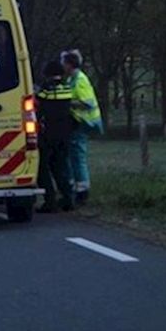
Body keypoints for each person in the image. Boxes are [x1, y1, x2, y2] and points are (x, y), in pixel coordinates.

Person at [61, 49, 103, 204]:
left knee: (78, 156)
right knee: (73, 156)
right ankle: (75, 188)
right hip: (75, 122)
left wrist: (66, 103)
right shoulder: (71, 79)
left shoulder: (79, 80)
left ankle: (83, 191)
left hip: (82, 122)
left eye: (64, 62)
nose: (62, 65)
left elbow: (87, 102)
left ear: (70, 64)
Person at [36, 60, 75, 212]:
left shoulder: (46, 90)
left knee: (43, 168)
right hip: (64, 134)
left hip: (48, 134)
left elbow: (39, 103)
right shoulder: (67, 88)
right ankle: (67, 199)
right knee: (60, 167)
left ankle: (49, 201)